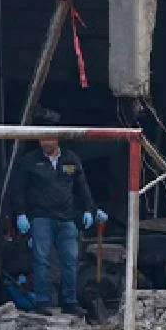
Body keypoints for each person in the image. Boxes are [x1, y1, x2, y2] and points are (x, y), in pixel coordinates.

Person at [10, 128, 101, 316]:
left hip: (67, 218)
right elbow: (18, 190)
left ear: (57, 139)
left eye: (49, 139)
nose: (45, 143)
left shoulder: (71, 160)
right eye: (42, 139)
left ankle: (70, 301)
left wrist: (90, 210)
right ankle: (42, 302)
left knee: (70, 259)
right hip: (41, 217)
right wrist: (20, 214)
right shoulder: (29, 162)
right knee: (41, 259)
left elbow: (82, 188)